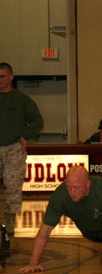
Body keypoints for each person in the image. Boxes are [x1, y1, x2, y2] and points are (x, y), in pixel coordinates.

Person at [19, 166, 102, 274]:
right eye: (69, 187)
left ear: (88, 184)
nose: (72, 192)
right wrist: (33, 263)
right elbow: (45, 231)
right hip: (89, 233)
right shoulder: (60, 196)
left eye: (77, 187)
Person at [0, 62, 44, 235]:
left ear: (11, 77)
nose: (0, 80)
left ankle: (9, 222)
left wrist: (26, 135)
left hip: (13, 148)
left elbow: (37, 121)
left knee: (12, 186)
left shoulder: (21, 100)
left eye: (2, 76)